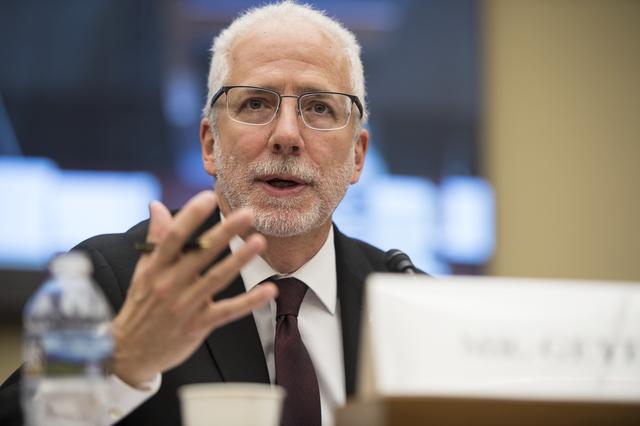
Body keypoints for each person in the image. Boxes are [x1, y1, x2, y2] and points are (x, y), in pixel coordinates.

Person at [1, 1, 422, 425]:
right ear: (209, 145)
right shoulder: (113, 281)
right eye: (255, 103)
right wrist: (122, 364)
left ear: (357, 156)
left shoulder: (411, 301)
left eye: (319, 108)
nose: (287, 135)